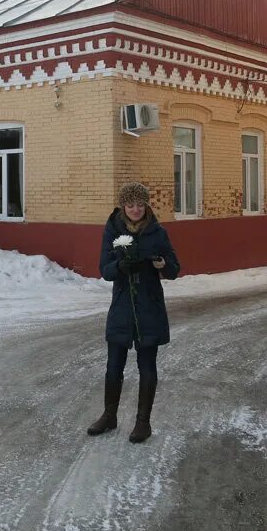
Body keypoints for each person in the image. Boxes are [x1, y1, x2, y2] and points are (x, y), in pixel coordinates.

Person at [88, 182, 180, 443]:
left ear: (146, 205)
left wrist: (163, 264)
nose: (136, 210)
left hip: (149, 306)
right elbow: (104, 270)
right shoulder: (113, 230)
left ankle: (143, 423)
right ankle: (109, 415)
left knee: (147, 366)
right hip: (122, 306)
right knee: (113, 365)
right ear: (123, 206)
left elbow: (174, 268)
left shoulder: (157, 232)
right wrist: (120, 266)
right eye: (130, 205)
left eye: (140, 204)